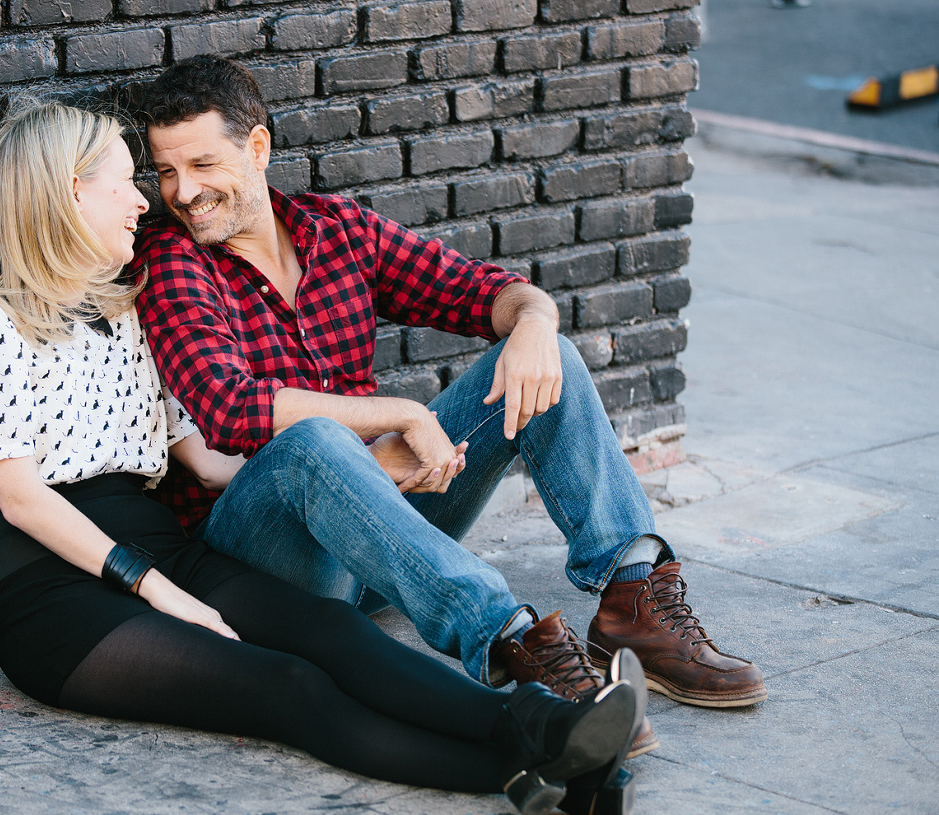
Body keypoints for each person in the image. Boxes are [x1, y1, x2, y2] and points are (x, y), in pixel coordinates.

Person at [0, 98, 644, 815]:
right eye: (126, 180)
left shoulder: (125, 316)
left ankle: (545, 726)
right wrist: (153, 589)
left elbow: (206, 464)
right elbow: (20, 498)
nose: (146, 200)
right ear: (69, 192)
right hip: (54, 590)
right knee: (288, 687)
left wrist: (359, 477)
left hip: (163, 548)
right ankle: (542, 771)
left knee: (334, 632)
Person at [132, 57, 766, 756]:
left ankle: (631, 595)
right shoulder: (172, 261)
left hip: (377, 543)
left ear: (257, 148)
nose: (182, 192)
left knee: (543, 356)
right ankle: (515, 643)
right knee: (314, 441)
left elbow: (487, 289)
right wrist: (397, 417)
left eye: (199, 163)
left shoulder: (335, 231)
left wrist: (532, 323)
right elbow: (228, 408)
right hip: (268, 569)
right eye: (165, 172)